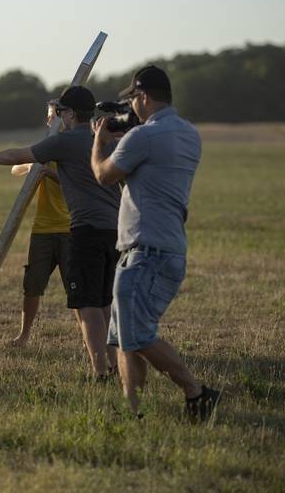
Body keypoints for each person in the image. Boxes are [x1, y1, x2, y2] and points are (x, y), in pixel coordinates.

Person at [91, 65, 219, 420]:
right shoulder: (190, 134)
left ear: (143, 97)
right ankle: (134, 410)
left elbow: (103, 175)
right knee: (121, 338)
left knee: (137, 336)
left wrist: (100, 141)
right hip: (164, 246)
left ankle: (197, 392)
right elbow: (149, 174)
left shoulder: (142, 138)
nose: (130, 108)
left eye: (132, 100)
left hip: (145, 251)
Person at [0, 86, 120, 380]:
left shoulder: (65, 142)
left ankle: (102, 373)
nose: (59, 117)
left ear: (72, 114)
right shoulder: (103, 140)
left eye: (62, 111)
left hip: (85, 230)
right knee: (104, 303)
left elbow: (18, 155)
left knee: (88, 306)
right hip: (113, 230)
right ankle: (114, 365)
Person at [9, 101, 71, 346]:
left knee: (76, 290)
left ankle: (90, 340)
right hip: (42, 230)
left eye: (55, 117)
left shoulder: (73, 149)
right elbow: (15, 168)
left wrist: (49, 173)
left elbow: (78, 181)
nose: (51, 122)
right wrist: (32, 166)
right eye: (48, 118)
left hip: (70, 229)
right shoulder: (43, 150)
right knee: (32, 286)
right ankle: (24, 335)